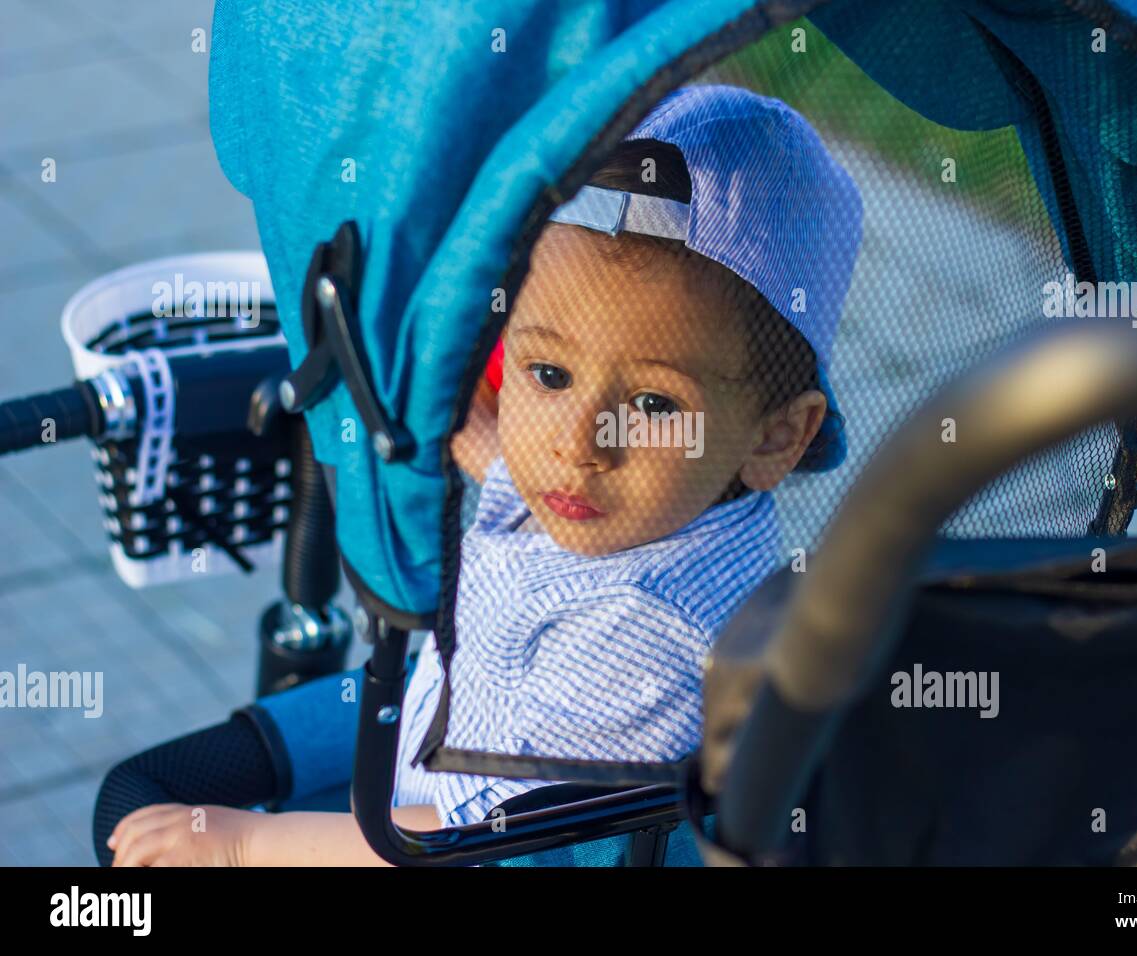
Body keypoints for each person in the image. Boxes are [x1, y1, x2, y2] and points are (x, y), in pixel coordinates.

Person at [106, 84, 862, 865]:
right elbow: (506, 451)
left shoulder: (645, 633)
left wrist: (245, 848)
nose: (577, 444)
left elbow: (454, 851)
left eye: (650, 401)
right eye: (549, 374)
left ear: (777, 437)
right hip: (447, 731)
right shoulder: (648, 498)